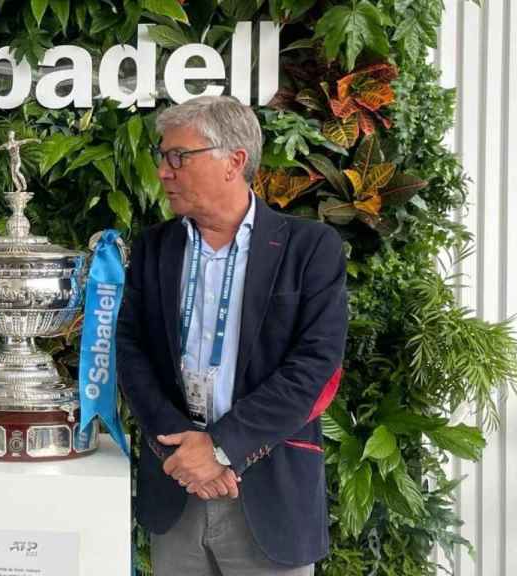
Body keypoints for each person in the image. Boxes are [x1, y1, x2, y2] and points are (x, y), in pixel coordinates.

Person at [116, 96, 348, 576]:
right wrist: (183, 454)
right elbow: (132, 353)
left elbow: (315, 367)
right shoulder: (155, 247)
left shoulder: (309, 249)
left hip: (267, 492)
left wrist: (220, 448)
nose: (164, 171)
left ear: (234, 161)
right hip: (177, 489)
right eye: (163, 157)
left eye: (179, 156)